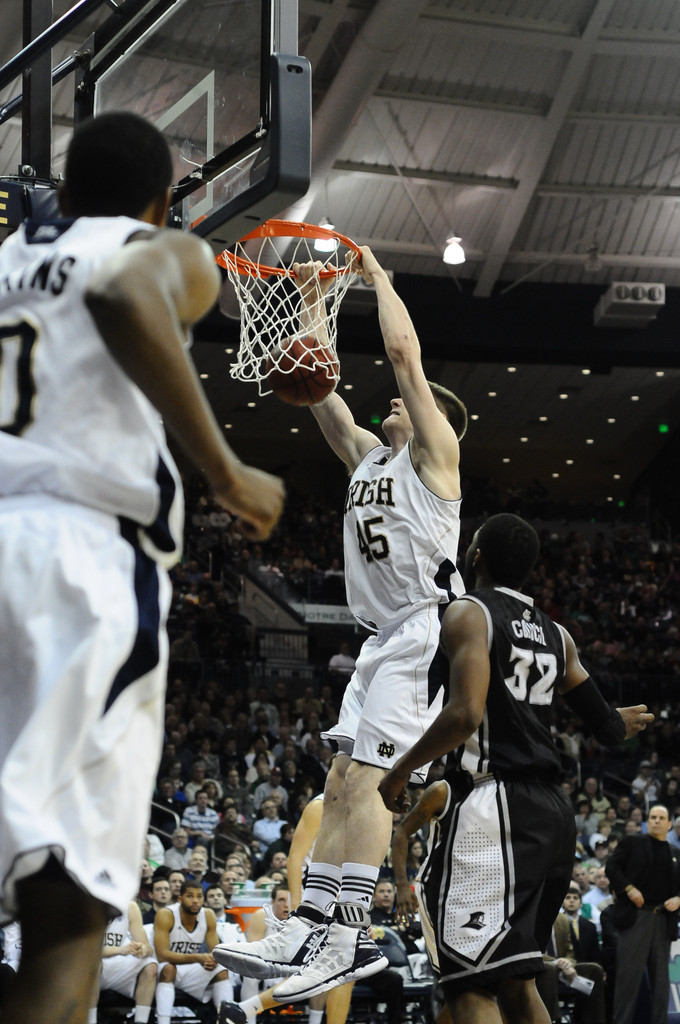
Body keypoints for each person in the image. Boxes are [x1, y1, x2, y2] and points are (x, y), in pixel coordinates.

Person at [0, 111, 284, 1024]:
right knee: (68, 917)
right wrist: (226, 471)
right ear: (165, 201)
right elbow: (124, 295)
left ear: (66, 189)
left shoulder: (5, 256)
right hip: (77, 567)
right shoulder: (158, 247)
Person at [215, 247, 467, 1001]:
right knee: (338, 780)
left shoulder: (438, 462)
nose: (390, 407)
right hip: (377, 641)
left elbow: (402, 354)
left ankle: (352, 936)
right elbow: (323, 395)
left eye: (405, 406)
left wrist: (375, 277)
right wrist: (306, 298)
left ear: (437, 424)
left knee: (371, 783)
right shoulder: (368, 461)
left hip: (421, 633)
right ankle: (314, 919)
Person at [377, 513, 653, 1024]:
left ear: (476, 554)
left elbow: (465, 714)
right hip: (551, 814)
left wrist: (400, 770)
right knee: (515, 982)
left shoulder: (469, 612)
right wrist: (620, 721)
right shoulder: (557, 634)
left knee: (468, 985)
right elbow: (607, 727)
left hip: (493, 810)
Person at [605, 804, 680, 1024]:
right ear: (648, 821)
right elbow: (612, 867)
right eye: (652, 817)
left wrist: (678, 899)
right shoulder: (633, 842)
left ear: (669, 824)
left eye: (661, 818)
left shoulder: (676, 853)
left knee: (661, 983)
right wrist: (629, 888)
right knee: (628, 979)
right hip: (636, 917)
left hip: (663, 919)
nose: (656, 821)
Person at [154, 880, 235, 1024]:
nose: (195, 901)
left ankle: (226, 1020)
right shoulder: (166, 914)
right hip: (161, 971)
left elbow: (215, 951)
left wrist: (213, 960)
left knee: (221, 970)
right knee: (168, 968)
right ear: (180, 899)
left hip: (189, 969)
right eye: (190, 896)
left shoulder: (208, 915)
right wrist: (198, 957)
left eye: (199, 896)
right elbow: (162, 955)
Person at [92, 901, 157, 1024]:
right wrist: (120, 950)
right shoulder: (88, 903)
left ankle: (141, 1021)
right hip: (90, 968)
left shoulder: (130, 907)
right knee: (93, 964)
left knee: (150, 965)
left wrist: (143, 949)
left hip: (117, 966)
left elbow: (148, 948)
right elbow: (86, 952)